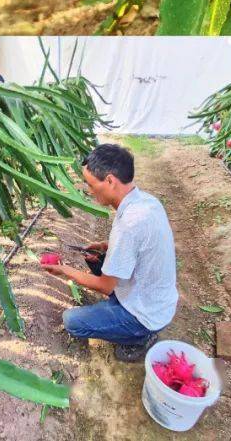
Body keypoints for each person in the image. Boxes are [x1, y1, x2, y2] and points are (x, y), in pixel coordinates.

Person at [41, 144, 178, 361]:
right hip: (156, 299)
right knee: (99, 263)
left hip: (145, 314)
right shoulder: (147, 203)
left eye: (90, 184)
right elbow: (141, 243)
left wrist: (64, 270)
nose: (88, 190)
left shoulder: (129, 225)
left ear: (110, 181)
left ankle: (141, 338)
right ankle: (130, 323)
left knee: (71, 321)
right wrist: (106, 246)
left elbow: (105, 286)